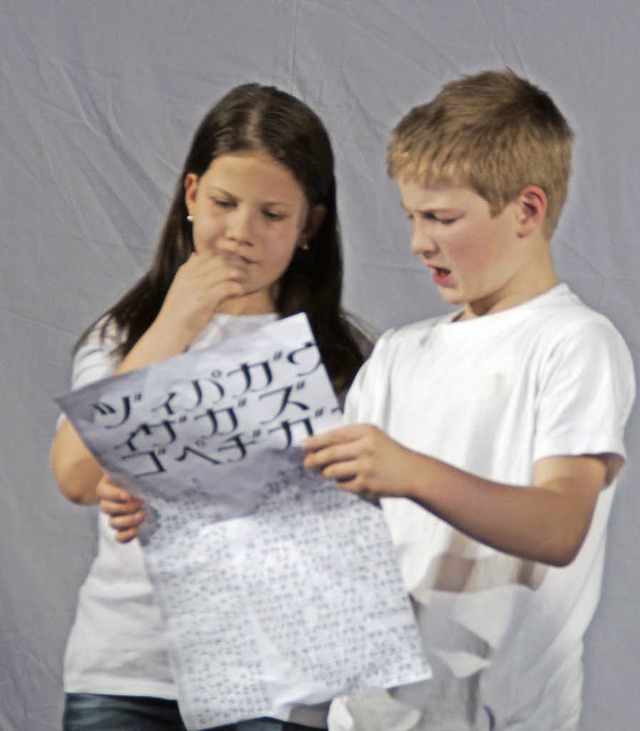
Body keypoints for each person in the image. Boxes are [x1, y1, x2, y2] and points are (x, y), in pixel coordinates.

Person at [303, 69, 635, 730]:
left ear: (527, 211)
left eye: (441, 218)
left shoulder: (575, 344)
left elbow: (559, 524)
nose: (417, 242)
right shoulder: (397, 354)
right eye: (412, 217)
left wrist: (409, 471)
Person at [50, 82, 368, 731]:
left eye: (272, 214)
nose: (241, 233)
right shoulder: (124, 334)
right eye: (224, 203)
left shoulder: (339, 360)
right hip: (126, 673)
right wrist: (175, 322)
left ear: (310, 224)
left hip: (271, 686)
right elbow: (75, 474)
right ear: (191, 195)